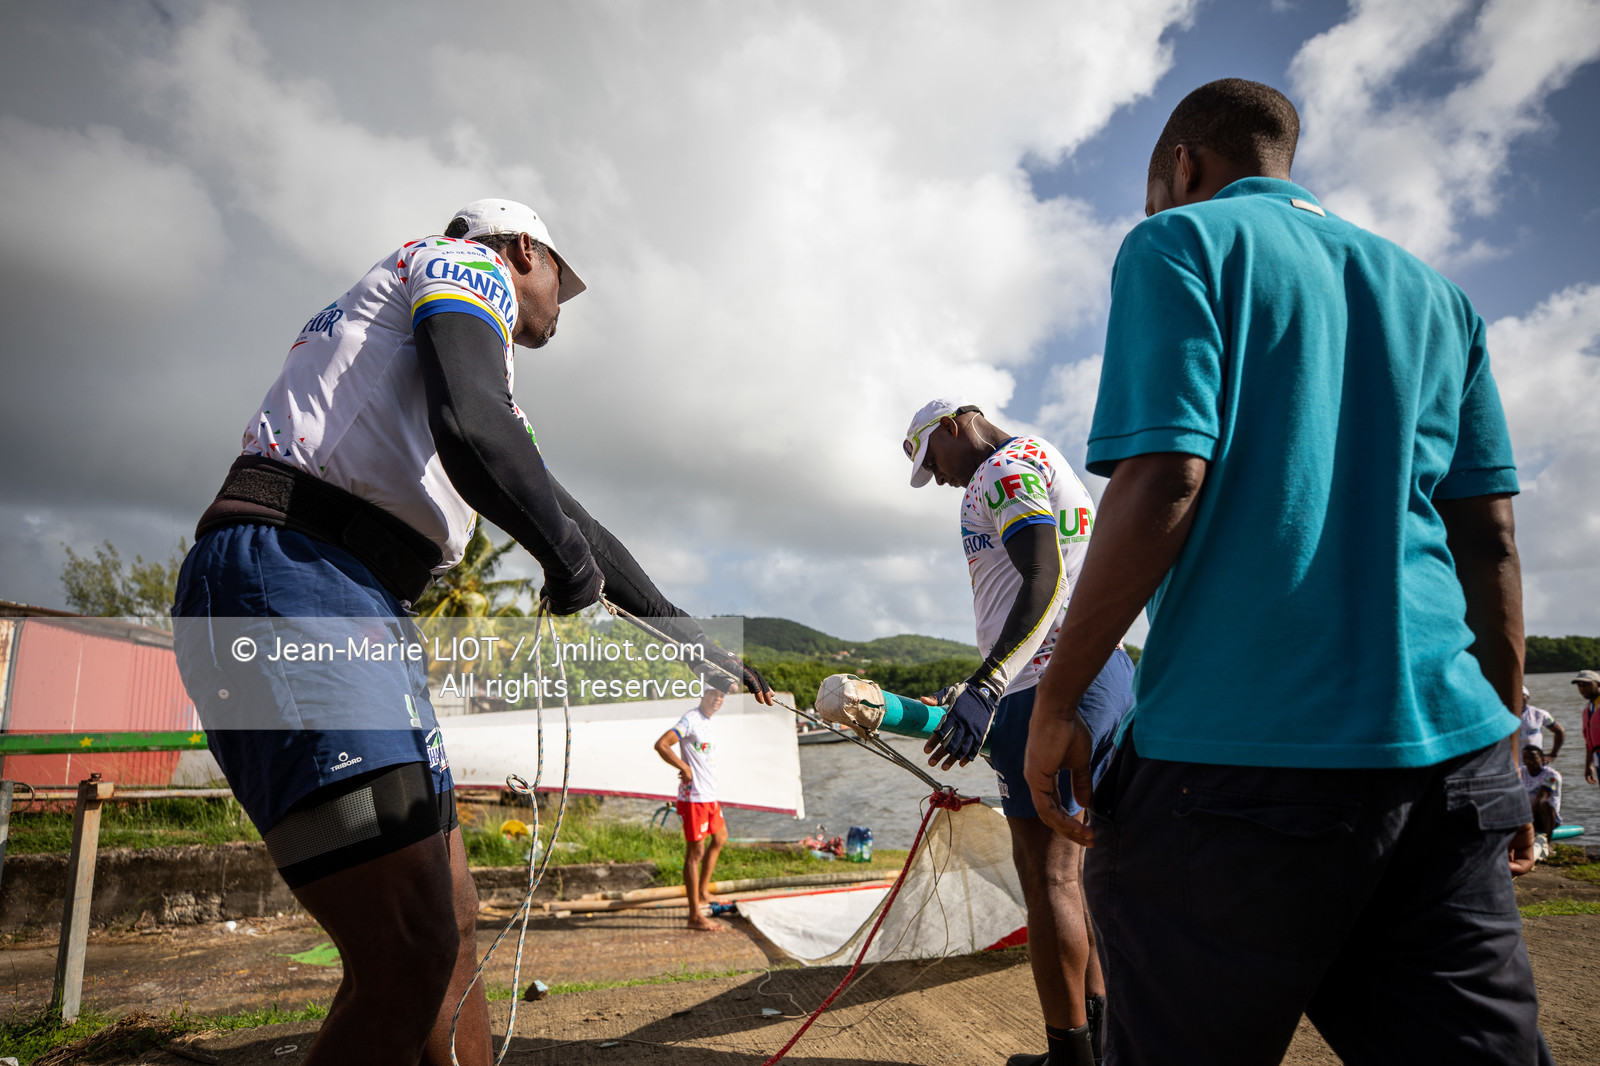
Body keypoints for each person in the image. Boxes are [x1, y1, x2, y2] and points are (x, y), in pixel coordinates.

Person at [171, 198, 771, 1066]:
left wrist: (686, 635)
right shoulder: (464, 266)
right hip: (301, 576)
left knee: (447, 933)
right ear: (525, 250)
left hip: (357, 594)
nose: (560, 307)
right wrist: (565, 566)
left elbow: (548, 494)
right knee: (408, 947)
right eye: (561, 284)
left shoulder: (458, 360)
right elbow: (476, 440)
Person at [1021, 80, 1545, 1063]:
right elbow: (1490, 542)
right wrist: (1505, 735)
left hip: (1237, 769)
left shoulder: (1179, 243)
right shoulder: (1439, 297)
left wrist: (1058, 698)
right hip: (1449, 760)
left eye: (1151, 187)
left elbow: (1167, 477)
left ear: (1182, 164)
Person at [904, 398, 1132, 1066]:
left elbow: (1045, 574)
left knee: (1049, 876)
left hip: (1046, 685)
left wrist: (988, 684)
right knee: (1083, 873)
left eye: (931, 460)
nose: (937, 478)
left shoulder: (998, 471)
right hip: (1103, 671)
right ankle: (1104, 1040)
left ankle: (1070, 1056)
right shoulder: (1041, 458)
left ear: (954, 425)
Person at [653, 676, 736, 931]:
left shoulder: (709, 723)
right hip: (694, 798)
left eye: (721, 696)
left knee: (720, 838)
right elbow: (662, 744)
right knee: (695, 853)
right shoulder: (690, 719)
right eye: (713, 694)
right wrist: (684, 767)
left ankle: (702, 893)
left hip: (710, 796)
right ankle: (694, 915)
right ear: (704, 695)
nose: (718, 700)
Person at [1521, 744, 1562, 858]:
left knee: (1544, 805)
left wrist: (1527, 823)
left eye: (1533, 758)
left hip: (1544, 816)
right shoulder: (1521, 772)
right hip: (1525, 815)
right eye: (1526, 758)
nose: (1529, 761)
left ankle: (1547, 844)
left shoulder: (1552, 775)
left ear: (1542, 758)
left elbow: (1541, 798)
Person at [1518, 686, 1564, 766]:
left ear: (1528, 697)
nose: (1518, 698)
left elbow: (1559, 731)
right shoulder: (1502, 715)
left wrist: (1553, 754)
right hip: (1511, 766)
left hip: (1535, 765)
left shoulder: (1539, 714)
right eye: (1516, 695)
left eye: (1522, 695)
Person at [1575, 669, 1600, 786]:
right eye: (1580, 685)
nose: (1583, 688)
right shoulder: (1589, 709)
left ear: (1598, 684)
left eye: (1587, 684)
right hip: (1597, 758)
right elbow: (1590, 741)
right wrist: (1589, 765)